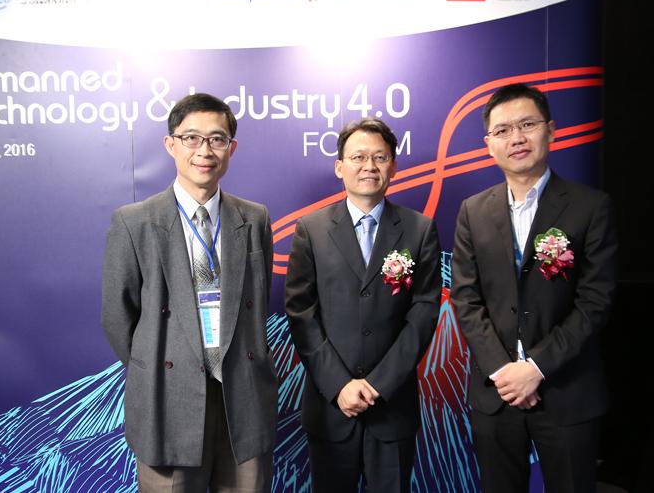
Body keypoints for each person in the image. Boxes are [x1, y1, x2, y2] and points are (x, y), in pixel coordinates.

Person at [101, 93, 276, 493]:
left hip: (242, 395)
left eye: (217, 139)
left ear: (231, 148)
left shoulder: (254, 218)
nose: (204, 150)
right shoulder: (134, 222)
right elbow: (117, 316)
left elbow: (258, 304)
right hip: (169, 396)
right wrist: (162, 362)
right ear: (171, 144)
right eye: (191, 138)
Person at [451, 83, 619, 493]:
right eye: (503, 130)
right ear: (489, 144)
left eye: (527, 125)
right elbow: (466, 299)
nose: (517, 138)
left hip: (567, 389)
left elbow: (595, 301)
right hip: (497, 393)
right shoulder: (473, 211)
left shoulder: (590, 207)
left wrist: (536, 368)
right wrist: (505, 372)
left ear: (551, 130)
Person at [284, 117, 442, 493]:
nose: (369, 166)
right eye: (358, 157)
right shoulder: (311, 229)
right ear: (340, 167)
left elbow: (423, 312)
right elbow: (301, 312)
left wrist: (379, 384)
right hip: (330, 406)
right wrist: (339, 385)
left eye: (379, 157)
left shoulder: (419, 229)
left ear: (393, 166)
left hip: (393, 405)